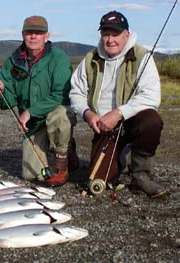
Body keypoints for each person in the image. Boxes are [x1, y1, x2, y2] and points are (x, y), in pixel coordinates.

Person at [69, 10, 166, 198]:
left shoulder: (142, 56)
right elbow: (76, 92)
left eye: (115, 34)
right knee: (99, 182)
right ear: (101, 35)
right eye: (106, 34)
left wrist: (119, 113)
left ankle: (140, 176)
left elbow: (151, 96)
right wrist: (88, 113)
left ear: (126, 35)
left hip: (132, 120)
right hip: (103, 126)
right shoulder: (90, 58)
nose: (110, 39)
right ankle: (121, 157)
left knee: (152, 121)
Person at [0, 15, 79, 186]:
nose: (33, 36)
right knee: (32, 175)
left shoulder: (59, 58)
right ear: (22, 35)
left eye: (38, 33)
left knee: (60, 114)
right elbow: (6, 103)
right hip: (33, 125)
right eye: (29, 32)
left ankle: (62, 161)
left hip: (54, 115)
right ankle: (68, 150)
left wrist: (29, 112)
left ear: (47, 36)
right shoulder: (12, 61)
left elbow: (62, 94)